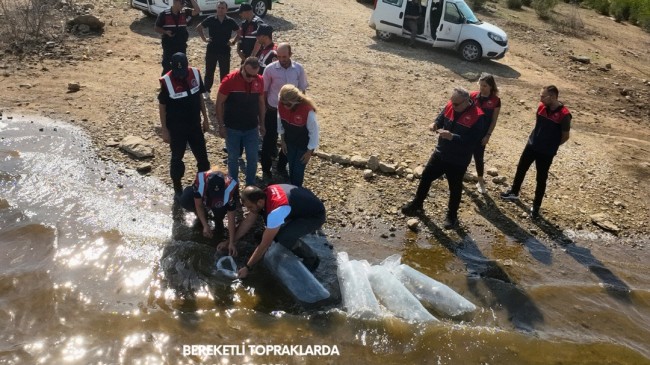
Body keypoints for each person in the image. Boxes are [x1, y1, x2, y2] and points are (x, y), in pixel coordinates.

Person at [401, 87, 487, 229]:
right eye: (452, 102)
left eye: (456, 104)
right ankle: (417, 204)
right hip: (441, 153)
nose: (453, 106)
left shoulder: (478, 116)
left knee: (455, 187)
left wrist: (453, 136)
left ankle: (452, 216)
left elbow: (473, 141)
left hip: (459, 159)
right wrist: (435, 124)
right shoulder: (451, 105)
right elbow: (441, 118)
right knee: (426, 177)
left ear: (466, 101)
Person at [500, 85, 572, 219]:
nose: (540, 98)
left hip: (546, 152)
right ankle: (514, 192)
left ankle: (536, 206)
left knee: (541, 178)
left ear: (553, 97)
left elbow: (565, 136)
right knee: (521, 168)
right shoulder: (541, 107)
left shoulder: (564, 115)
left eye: (543, 96)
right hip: (532, 145)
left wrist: (552, 146)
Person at [235, 184, 326, 278]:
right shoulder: (264, 193)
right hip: (301, 206)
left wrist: (247, 267)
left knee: (284, 238)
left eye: (250, 207)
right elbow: (248, 221)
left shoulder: (276, 211)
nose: (249, 210)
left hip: (315, 216)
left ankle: (311, 258)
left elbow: (264, 245)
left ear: (260, 202)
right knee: (266, 235)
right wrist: (232, 241)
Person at [158, 52, 211, 195]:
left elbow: (200, 97)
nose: (180, 75)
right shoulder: (167, 81)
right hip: (176, 127)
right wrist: (164, 129)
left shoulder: (195, 73)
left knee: (202, 158)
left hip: (194, 124)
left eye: (182, 71)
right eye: (177, 72)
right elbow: (162, 106)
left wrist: (206, 119)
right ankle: (177, 187)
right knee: (177, 158)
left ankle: (203, 185)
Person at [261, 43, 309, 181]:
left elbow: (302, 90)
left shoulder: (298, 69)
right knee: (269, 140)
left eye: (285, 56)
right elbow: (264, 90)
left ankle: (282, 166)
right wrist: (263, 109)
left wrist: (302, 109)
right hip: (273, 109)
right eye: (279, 56)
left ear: (290, 55)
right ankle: (266, 169)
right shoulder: (270, 69)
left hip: (290, 111)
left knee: (289, 140)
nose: (282, 59)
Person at [215, 57, 265, 186]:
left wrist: (262, 123)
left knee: (253, 158)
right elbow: (219, 103)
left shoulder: (259, 80)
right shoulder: (229, 80)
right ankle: (233, 186)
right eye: (248, 75)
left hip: (252, 128)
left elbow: (261, 103)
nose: (251, 78)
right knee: (233, 158)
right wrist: (221, 125)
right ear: (242, 68)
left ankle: (250, 185)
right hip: (232, 128)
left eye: (254, 75)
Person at [179, 167, 239, 254]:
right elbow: (198, 205)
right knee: (185, 199)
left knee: (219, 211)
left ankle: (218, 220)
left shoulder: (231, 188)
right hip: (204, 198)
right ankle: (202, 216)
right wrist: (205, 225)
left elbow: (231, 218)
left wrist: (230, 242)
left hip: (221, 202)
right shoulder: (200, 182)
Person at [278, 84, 319, 187]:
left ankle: (297, 189)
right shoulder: (281, 105)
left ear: (295, 101)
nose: (284, 106)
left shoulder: (307, 111)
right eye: (282, 103)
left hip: (303, 145)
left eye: (287, 104)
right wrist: (282, 140)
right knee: (291, 165)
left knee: (298, 170)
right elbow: (280, 122)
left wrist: (309, 151)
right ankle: (292, 187)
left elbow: (314, 133)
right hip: (289, 141)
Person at [196, 1, 240, 98]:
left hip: (225, 50)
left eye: (222, 8)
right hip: (212, 49)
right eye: (219, 7)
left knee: (224, 72)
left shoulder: (230, 21)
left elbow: (239, 31)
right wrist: (204, 39)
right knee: (209, 71)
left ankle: (224, 91)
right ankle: (206, 90)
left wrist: (233, 42)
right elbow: (199, 27)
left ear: (226, 10)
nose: (220, 9)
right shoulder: (211, 19)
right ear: (216, 8)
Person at [470, 73, 501, 194]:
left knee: (479, 157)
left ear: (491, 87)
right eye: (480, 85)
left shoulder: (496, 101)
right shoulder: (472, 96)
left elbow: (494, 120)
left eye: (485, 86)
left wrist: (488, 135)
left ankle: (480, 180)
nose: (482, 88)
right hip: (469, 131)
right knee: (463, 153)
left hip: (482, 134)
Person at [154, 0, 200, 76]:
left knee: (182, 65)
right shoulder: (164, 14)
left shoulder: (185, 12)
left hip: (181, 44)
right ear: (175, 2)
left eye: (184, 3)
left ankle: (180, 84)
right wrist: (165, 32)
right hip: (169, 45)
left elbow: (197, 10)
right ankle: (165, 85)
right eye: (181, 3)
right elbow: (156, 28)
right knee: (167, 65)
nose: (183, 5)